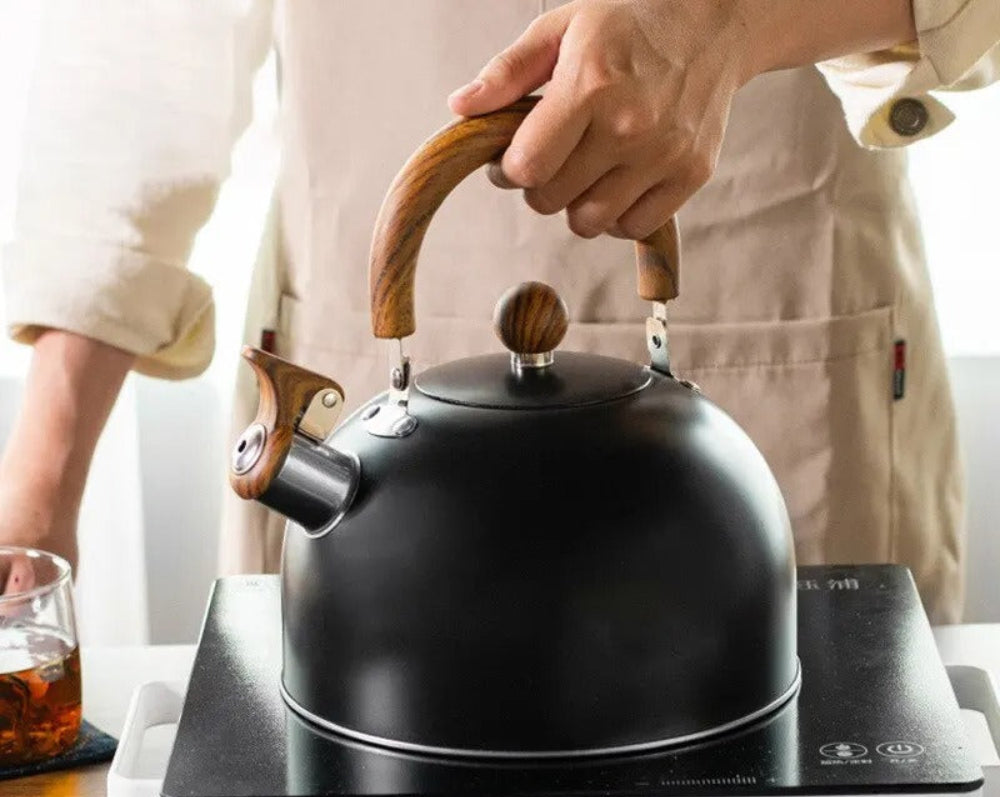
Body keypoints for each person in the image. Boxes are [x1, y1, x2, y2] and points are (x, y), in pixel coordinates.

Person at [1, 1, 998, 621]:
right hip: (364, 356)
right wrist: (33, 510)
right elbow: (135, 60)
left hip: (784, 334)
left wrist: (726, 18)